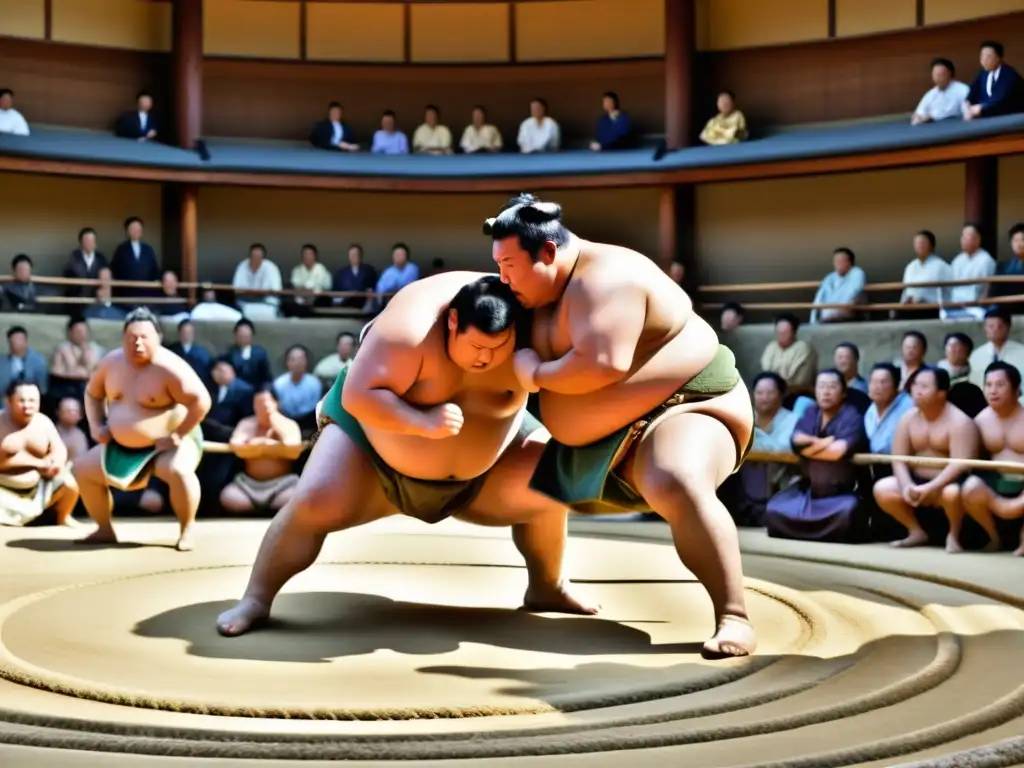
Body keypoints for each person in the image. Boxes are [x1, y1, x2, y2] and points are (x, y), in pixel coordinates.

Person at [216, 273, 594, 638]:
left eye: (498, 349)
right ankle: (255, 598)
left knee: (553, 475)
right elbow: (359, 395)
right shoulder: (408, 326)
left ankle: (548, 584)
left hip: (487, 475)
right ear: (452, 321)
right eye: (477, 346)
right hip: (372, 457)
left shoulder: (534, 331)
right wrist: (419, 420)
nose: (486, 359)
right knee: (317, 498)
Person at [487, 194, 756, 659]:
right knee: (505, 479)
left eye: (510, 264)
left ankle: (734, 614)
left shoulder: (609, 279)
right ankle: (546, 585)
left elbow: (603, 364)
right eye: (499, 265)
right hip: (595, 442)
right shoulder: (531, 293)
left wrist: (533, 373)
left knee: (674, 476)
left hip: (685, 405)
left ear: (548, 253)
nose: (503, 277)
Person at [72, 308, 211, 551]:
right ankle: (104, 529)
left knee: (179, 470)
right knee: (83, 469)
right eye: (131, 338)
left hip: (169, 441)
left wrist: (177, 435)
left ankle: (186, 529)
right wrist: (96, 425)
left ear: (157, 337)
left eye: (144, 337)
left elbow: (202, 401)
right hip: (122, 444)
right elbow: (93, 394)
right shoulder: (111, 363)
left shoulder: (170, 367)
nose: (137, 343)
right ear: (123, 339)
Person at [872, 367, 980, 552]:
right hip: (916, 481)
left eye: (924, 386)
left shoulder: (959, 422)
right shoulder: (907, 418)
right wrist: (906, 485)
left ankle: (953, 535)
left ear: (941, 393)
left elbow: (960, 464)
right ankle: (916, 531)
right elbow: (898, 458)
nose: (917, 391)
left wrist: (931, 487)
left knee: (952, 493)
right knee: (882, 488)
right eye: (915, 385)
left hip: (948, 484)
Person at [765, 370, 869, 543]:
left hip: (841, 493)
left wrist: (810, 447)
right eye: (821, 386)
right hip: (810, 491)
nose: (826, 392)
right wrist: (825, 442)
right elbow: (797, 443)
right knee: (774, 509)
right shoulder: (811, 412)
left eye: (832, 387)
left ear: (843, 393)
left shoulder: (852, 416)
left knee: (848, 511)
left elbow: (837, 452)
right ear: (815, 391)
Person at [960, 362, 1024, 555]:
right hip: (997, 483)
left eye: (1000, 385)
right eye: (988, 385)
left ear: (1016, 389)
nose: (993, 390)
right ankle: (994, 537)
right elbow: (970, 461)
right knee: (970, 486)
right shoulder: (979, 421)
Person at [0, 381, 79, 527]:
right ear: (8, 401)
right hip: (3, 489)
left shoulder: (43, 422)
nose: (27, 405)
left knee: (68, 483)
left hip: (38, 486)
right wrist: (37, 463)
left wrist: (55, 463)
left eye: (32, 401)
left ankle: (63, 517)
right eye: (21, 400)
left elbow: (59, 449)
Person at [219, 386, 303, 515]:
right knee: (229, 496)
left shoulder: (287, 424)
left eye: (265, 404)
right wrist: (271, 447)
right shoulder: (247, 424)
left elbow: (292, 449)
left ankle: (274, 507)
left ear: (275, 403)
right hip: (249, 484)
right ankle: (252, 507)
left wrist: (273, 427)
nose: (261, 408)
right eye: (257, 404)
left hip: (282, 485)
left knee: (295, 495)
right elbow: (236, 446)